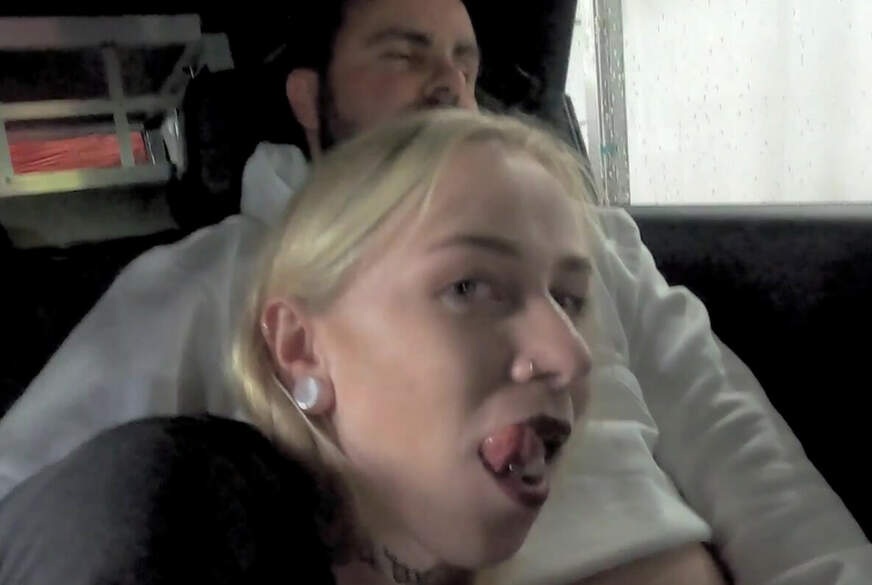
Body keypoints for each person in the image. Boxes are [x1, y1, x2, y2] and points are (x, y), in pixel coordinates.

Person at [0, 0, 869, 584]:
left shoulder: (594, 240)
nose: (449, 83)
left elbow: (749, 460)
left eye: (464, 61)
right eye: (403, 54)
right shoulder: (214, 277)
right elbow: (46, 502)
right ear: (310, 97)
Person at [0, 110, 598, 585]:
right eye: (468, 287)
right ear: (300, 348)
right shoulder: (168, 519)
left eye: (570, 300)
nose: (571, 357)